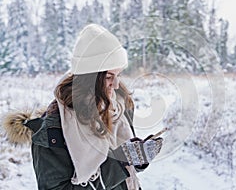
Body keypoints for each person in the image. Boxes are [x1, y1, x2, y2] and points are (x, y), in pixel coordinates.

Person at [3, 24, 163, 190]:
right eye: (109, 76)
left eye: (119, 75)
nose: (116, 85)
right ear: (90, 77)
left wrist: (137, 157)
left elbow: (123, 174)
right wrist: (121, 161)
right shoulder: (53, 129)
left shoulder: (120, 107)